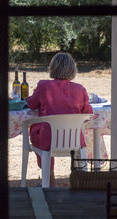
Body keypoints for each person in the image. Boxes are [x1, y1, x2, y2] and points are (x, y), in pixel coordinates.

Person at [26, 52, 92, 187]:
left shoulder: (43, 86)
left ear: (53, 67)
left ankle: (50, 179)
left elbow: (31, 104)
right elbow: (87, 113)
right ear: (72, 69)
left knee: (39, 133)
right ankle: (82, 182)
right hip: (74, 141)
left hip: (47, 140)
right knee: (45, 133)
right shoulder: (80, 89)